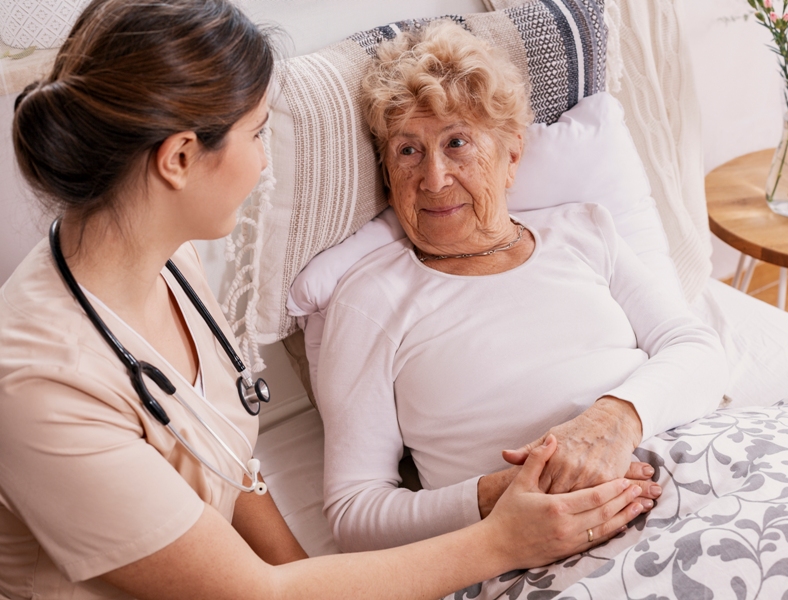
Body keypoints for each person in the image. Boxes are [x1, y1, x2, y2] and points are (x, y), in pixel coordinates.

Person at [0, 1, 656, 599]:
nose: (264, 166)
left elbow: (225, 458)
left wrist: (298, 566)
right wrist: (502, 539)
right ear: (178, 160)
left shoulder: (169, 253)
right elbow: (255, 594)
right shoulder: (39, 387)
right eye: (257, 135)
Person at [316, 20, 730, 553]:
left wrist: (613, 421)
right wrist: (499, 496)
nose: (435, 178)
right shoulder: (370, 298)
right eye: (408, 151)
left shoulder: (585, 230)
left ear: (512, 155)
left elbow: (697, 349)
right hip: (554, 549)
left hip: (701, 474)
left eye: (457, 142)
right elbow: (355, 512)